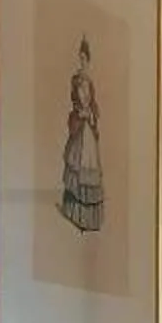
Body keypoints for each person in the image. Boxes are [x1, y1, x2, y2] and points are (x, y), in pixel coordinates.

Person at [58, 37, 106, 234]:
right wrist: (80, 113)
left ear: (89, 59)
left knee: (90, 169)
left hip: (88, 127)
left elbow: (94, 106)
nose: (82, 61)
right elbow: (75, 103)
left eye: (85, 58)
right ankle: (75, 214)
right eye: (80, 57)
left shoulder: (90, 81)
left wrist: (91, 115)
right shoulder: (76, 80)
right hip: (79, 127)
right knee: (77, 167)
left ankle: (89, 219)